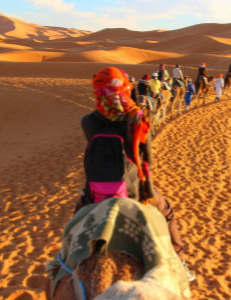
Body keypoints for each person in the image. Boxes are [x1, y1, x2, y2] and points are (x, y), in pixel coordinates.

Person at [79, 67, 193, 280]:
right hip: (135, 188)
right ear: (125, 86)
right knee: (168, 214)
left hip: (97, 190)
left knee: (75, 222)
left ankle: (63, 266)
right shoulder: (136, 117)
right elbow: (147, 158)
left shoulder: (88, 121)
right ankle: (180, 263)